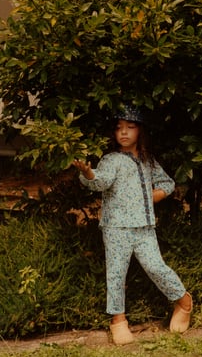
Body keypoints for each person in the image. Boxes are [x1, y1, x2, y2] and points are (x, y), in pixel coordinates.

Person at [73, 105, 193, 344]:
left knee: (156, 267)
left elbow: (167, 183)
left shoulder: (148, 161)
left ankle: (184, 302)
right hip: (116, 227)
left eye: (130, 127)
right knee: (116, 274)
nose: (124, 133)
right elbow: (101, 181)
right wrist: (88, 174)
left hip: (145, 227)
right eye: (119, 128)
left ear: (140, 131)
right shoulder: (111, 160)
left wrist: (154, 196)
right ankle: (118, 321)